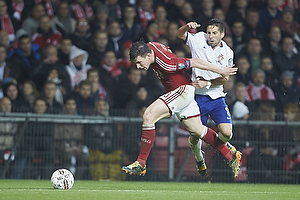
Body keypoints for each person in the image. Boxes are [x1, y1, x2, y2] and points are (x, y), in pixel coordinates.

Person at [121, 41, 241, 179]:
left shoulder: (168, 63)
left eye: (139, 62)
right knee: (198, 131)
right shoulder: (150, 46)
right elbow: (162, 46)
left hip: (182, 91)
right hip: (183, 94)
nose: (138, 66)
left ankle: (141, 163)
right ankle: (230, 154)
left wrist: (221, 71)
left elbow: (194, 61)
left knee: (148, 115)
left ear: (148, 55)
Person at [176, 19, 241, 178]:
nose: (210, 36)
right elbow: (179, 34)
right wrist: (186, 27)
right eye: (209, 33)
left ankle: (225, 145)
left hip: (217, 97)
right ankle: (200, 158)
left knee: (227, 133)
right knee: (195, 134)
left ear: (222, 34)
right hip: (197, 98)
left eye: (214, 33)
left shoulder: (228, 52)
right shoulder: (198, 39)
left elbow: (225, 78)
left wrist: (208, 82)